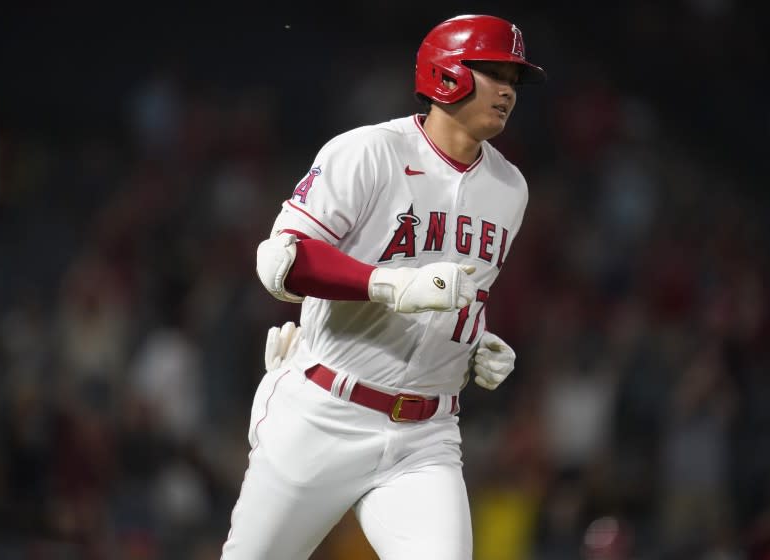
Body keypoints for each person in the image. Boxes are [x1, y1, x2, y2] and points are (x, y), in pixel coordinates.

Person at [220, 14, 546, 559]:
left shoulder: (510, 187)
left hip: (427, 436)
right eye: (494, 73)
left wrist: (468, 345)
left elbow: (459, 292)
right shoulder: (369, 151)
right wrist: (388, 285)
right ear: (448, 75)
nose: (508, 91)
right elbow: (281, 260)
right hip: (327, 411)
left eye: (515, 80)